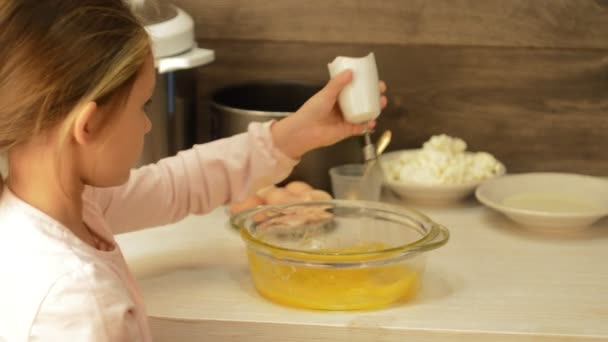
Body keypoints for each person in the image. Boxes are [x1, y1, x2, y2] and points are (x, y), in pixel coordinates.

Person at [0, 1, 387, 341]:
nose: (148, 125)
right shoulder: (80, 304)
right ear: (87, 125)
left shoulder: (53, 205)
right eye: (143, 106)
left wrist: (292, 135)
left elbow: (177, 185)